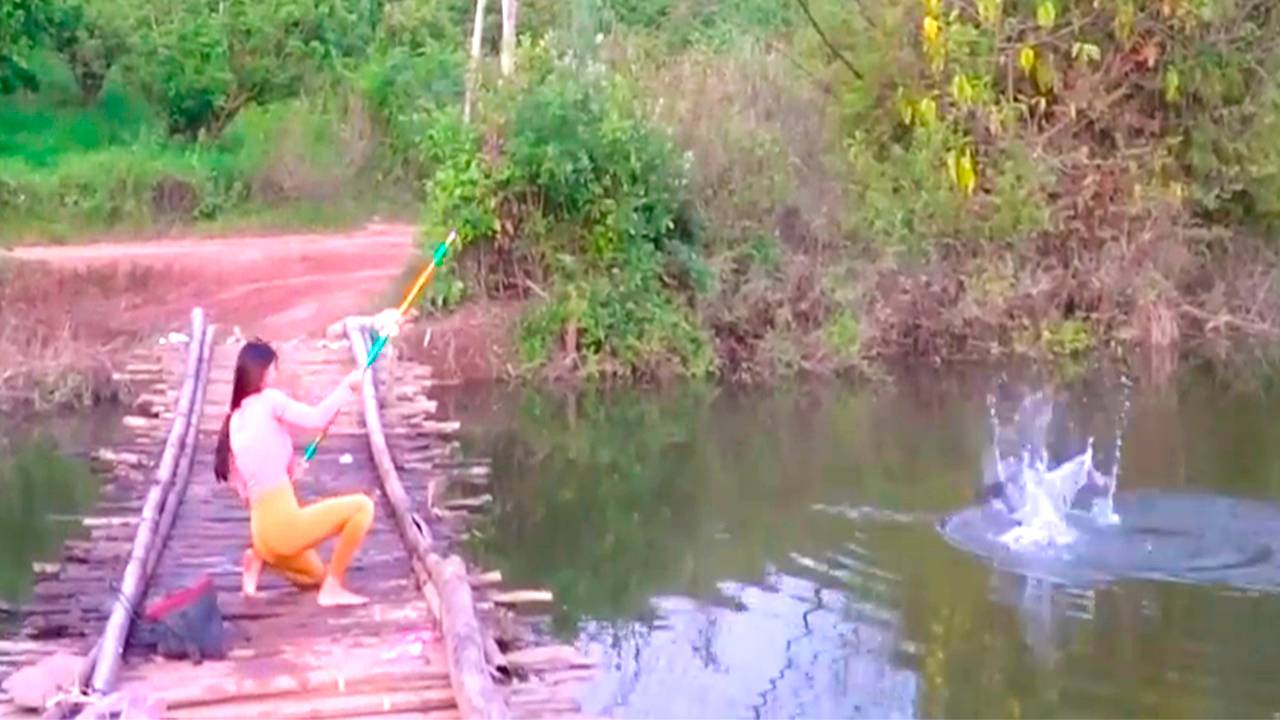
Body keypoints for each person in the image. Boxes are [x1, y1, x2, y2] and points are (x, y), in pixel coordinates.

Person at [212, 310, 404, 607]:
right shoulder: (270, 400)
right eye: (274, 368)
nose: (276, 375)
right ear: (264, 372)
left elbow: (253, 487)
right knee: (362, 508)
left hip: (262, 533)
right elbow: (317, 418)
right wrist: (346, 387)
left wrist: (290, 474)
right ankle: (333, 589)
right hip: (284, 530)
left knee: (316, 575)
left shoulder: (233, 420)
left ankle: (260, 557)